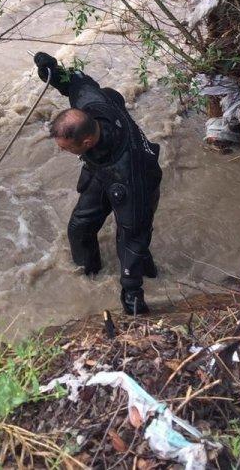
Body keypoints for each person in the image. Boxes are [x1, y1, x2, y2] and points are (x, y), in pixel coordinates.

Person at [35, 52, 163, 315]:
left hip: (135, 178)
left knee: (131, 238)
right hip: (100, 168)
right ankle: (88, 277)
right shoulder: (92, 104)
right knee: (80, 227)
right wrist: (51, 71)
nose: (61, 152)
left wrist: (131, 291)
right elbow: (77, 81)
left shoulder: (130, 173)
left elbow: (132, 236)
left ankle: (147, 276)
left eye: (66, 148)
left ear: (86, 143)